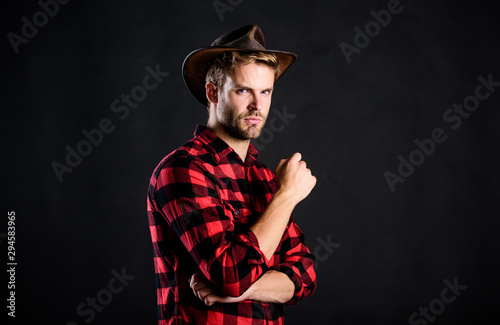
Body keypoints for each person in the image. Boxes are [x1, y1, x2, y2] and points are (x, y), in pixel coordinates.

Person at [147, 24, 317, 325]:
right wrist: (288, 195)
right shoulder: (183, 170)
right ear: (212, 92)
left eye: (266, 91)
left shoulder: (264, 177)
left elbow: (304, 275)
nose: (258, 105)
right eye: (243, 90)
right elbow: (231, 275)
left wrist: (241, 291)